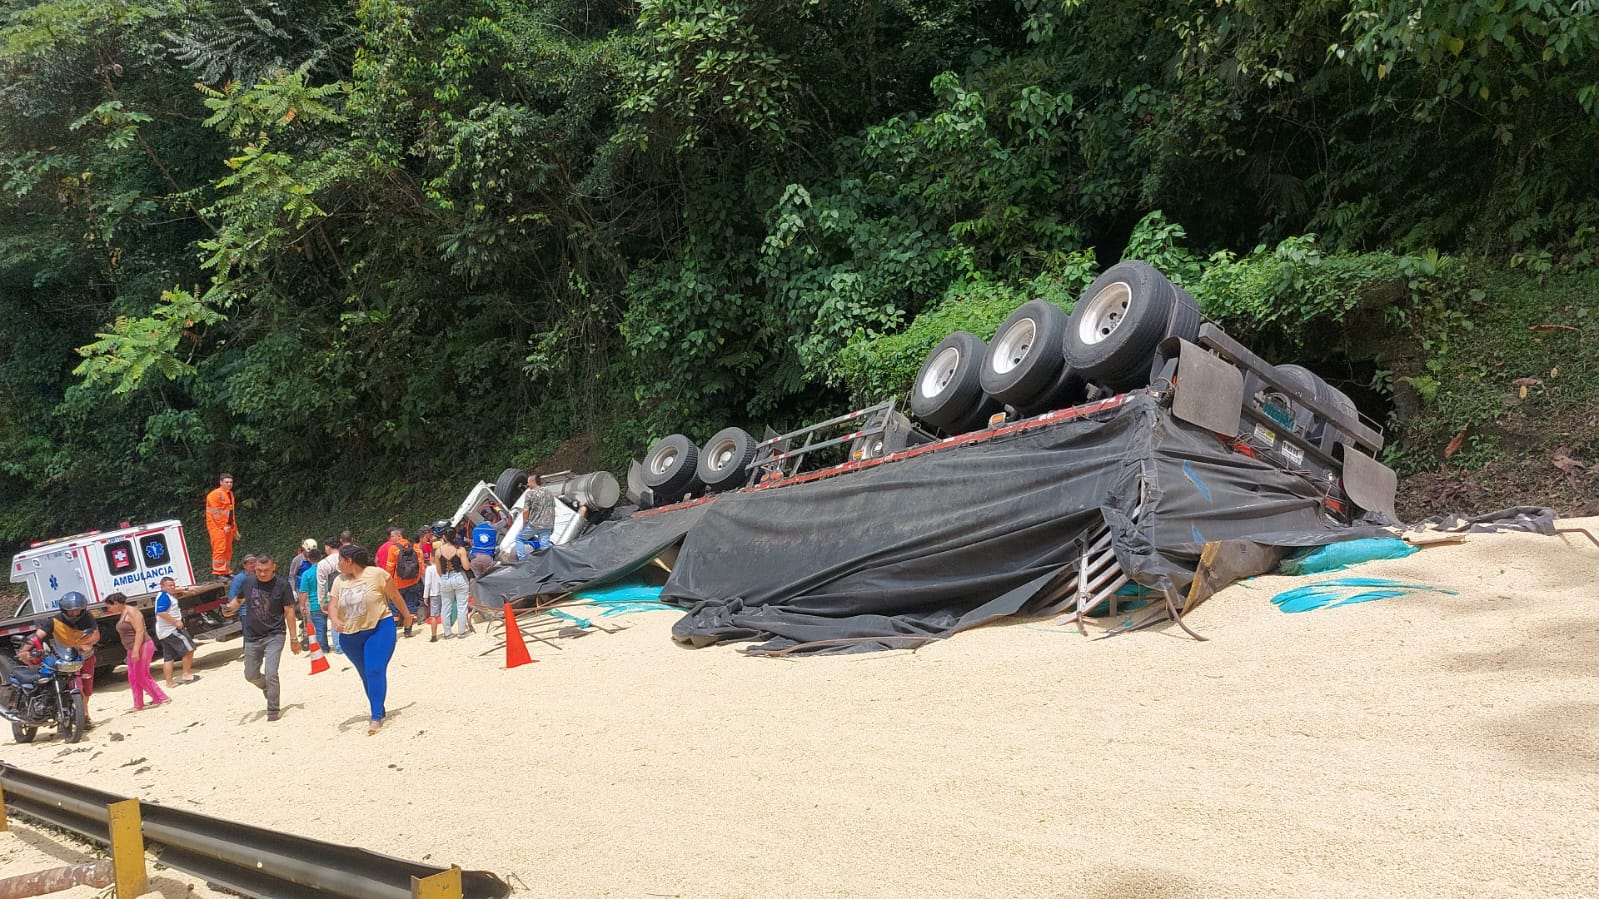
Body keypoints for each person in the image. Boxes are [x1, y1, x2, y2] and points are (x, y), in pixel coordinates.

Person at [327, 544, 414, 735]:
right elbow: (332, 605)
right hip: (350, 636)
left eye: (340, 560)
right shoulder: (339, 581)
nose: (338, 564)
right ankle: (379, 706)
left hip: (379, 627)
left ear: (349, 561)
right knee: (366, 674)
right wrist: (334, 619)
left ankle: (375, 717)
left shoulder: (377, 574)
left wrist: (407, 615)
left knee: (375, 669)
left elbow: (394, 596)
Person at [224, 553, 300, 722]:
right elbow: (239, 599)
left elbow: (289, 611)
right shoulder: (248, 581)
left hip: (275, 634)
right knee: (250, 675)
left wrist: (294, 639)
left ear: (274, 567)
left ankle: (273, 708)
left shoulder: (282, 585)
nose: (262, 574)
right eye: (258, 570)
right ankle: (266, 687)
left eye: (266, 570)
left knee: (271, 672)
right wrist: (230, 608)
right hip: (252, 636)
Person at [34, 591, 100, 727]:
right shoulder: (54, 621)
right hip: (65, 659)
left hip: (85, 658)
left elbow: (95, 634)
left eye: (78, 610)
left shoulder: (87, 617)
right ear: (64, 610)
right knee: (70, 688)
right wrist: (30, 646)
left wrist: (86, 644)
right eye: (71, 611)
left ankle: (84, 714)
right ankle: (78, 717)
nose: (75, 613)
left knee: (87, 690)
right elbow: (38, 635)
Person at [104, 592, 169, 711]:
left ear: (116, 603)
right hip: (132, 648)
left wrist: (135, 651)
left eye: (110, 606)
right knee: (133, 676)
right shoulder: (123, 613)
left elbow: (140, 631)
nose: (109, 609)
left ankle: (161, 697)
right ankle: (138, 703)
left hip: (141, 646)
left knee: (141, 674)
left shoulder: (132, 612)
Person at [376, 526, 423, 637]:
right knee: (410, 605)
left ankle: (394, 633)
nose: (391, 539)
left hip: (397, 583)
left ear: (398, 536)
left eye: (392, 536)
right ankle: (408, 631)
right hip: (412, 581)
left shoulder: (393, 549)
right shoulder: (415, 547)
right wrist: (417, 578)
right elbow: (420, 566)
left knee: (394, 607)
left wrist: (389, 582)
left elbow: (390, 568)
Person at [153, 576, 198, 687]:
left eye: (173, 585)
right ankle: (186, 674)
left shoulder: (164, 594)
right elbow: (161, 612)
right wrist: (175, 622)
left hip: (163, 632)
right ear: (162, 586)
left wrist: (185, 589)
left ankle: (169, 682)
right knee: (189, 649)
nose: (173, 587)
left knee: (169, 657)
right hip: (172, 630)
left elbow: (173, 590)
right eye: (170, 585)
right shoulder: (164, 597)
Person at [433, 527, 473, 638]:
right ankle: (461, 631)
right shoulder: (460, 549)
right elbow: (466, 566)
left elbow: (439, 571)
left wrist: (445, 577)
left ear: (444, 537)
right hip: (459, 576)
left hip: (445, 578)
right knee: (462, 605)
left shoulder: (438, 551)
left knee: (446, 606)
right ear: (455, 535)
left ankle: (447, 633)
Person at [205, 473, 241, 578]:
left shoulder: (230, 494)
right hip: (217, 527)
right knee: (219, 549)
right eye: (227, 482)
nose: (229, 484)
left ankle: (226, 571)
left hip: (227, 526)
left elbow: (231, 513)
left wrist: (234, 528)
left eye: (230, 482)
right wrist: (222, 525)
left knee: (228, 549)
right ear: (221, 482)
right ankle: (218, 572)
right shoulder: (215, 494)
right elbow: (215, 513)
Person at [298, 546, 332, 654]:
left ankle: (324, 649)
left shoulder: (306, 574)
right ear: (321, 557)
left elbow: (303, 592)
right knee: (336, 627)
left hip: (315, 604)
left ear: (308, 559)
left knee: (320, 629)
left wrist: (302, 605)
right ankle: (340, 647)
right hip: (331, 601)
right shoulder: (328, 570)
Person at [314, 537, 344, 654]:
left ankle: (339, 647)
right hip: (349, 590)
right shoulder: (347, 558)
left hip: (333, 594)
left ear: (328, 547)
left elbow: (321, 584)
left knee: (334, 619)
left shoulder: (323, 563)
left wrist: (322, 602)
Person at [226, 555, 259, 633]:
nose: (253, 565)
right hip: (246, 613)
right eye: (250, 563)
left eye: (255, 563)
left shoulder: (260, 576)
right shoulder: (239, 578)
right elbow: (232, 596)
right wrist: (233, 609)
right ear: (244, 565)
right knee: (249, 639)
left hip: (260, 612)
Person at [422, 541, 443, 642]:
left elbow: (427, 583)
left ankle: (434, 635)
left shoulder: (429, 569)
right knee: (445, 612)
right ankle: (448, 631)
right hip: (443, 592)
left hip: (434, 594)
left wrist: (425, 596)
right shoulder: (442, 566)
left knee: (434, 615)